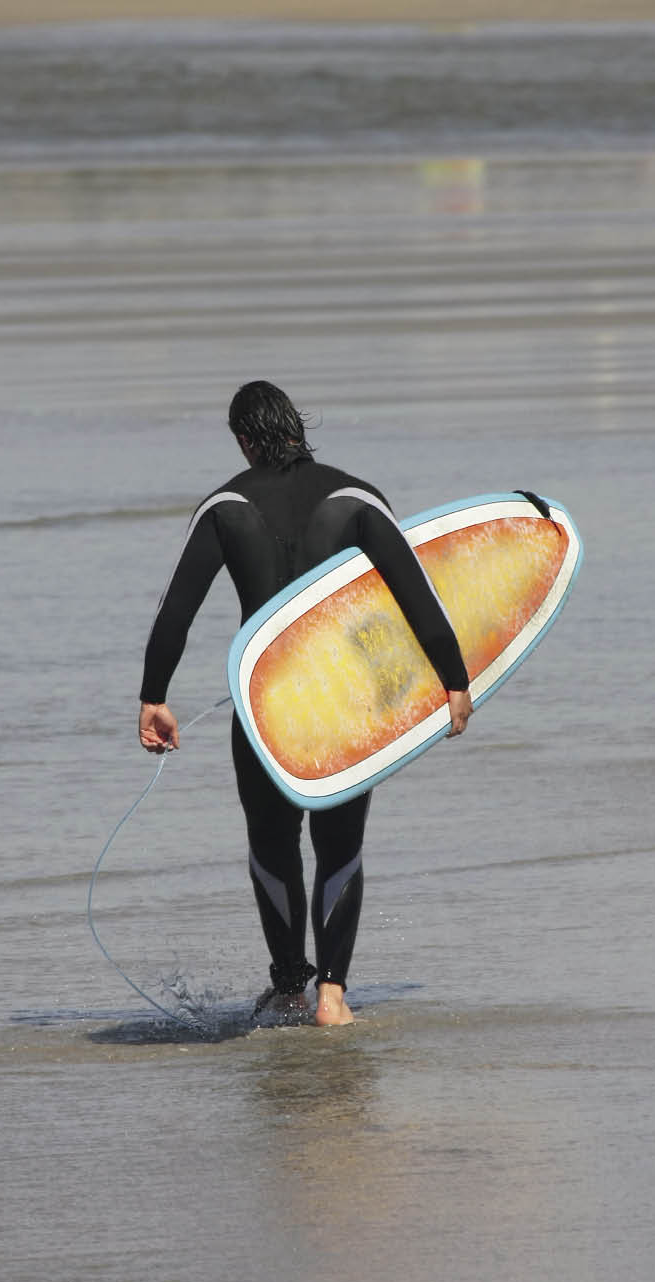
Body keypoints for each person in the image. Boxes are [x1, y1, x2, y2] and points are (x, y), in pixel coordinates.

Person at [137, 382, 473, 1027]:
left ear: (242, 438)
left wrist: (155, 696)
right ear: (298, 427)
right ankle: (332, 995)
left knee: (272, 843)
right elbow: (417, 597)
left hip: (264, 712)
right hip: (346, 709)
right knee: (340, 845)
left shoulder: (224, 506)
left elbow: (174, 611)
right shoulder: (356, 499)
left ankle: (289, 986)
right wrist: (453, 681)